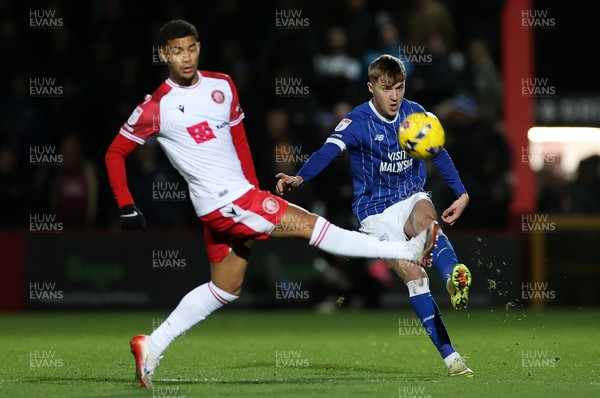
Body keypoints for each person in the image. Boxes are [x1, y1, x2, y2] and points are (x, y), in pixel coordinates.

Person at [104, 20, 437, 388]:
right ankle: (402, 248)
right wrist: (126, 204)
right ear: (164, 54)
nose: (186, 57)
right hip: (223, 204)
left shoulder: (222, 85)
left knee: (226, 287)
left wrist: (254, 187)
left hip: (240, 198)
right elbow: (115, 152)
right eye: (177, 51)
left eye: (192, 48)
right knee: (314, 227)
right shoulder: (156, 106)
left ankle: (151, 344)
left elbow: (239, 140)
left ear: (199, 46)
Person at [276, 54, 474, 377]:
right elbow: (327, 151)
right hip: (375, 214)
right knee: (415, 275)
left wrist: (462, 193)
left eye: (399, 87)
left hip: (410, 197)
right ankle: (451, 358)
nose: (395, 96)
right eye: (386, 89)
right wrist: (299, 177)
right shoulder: (357, 122)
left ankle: (454, 276)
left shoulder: (416, 115)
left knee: (428, 221)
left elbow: (439, 152)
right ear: (371, 88)